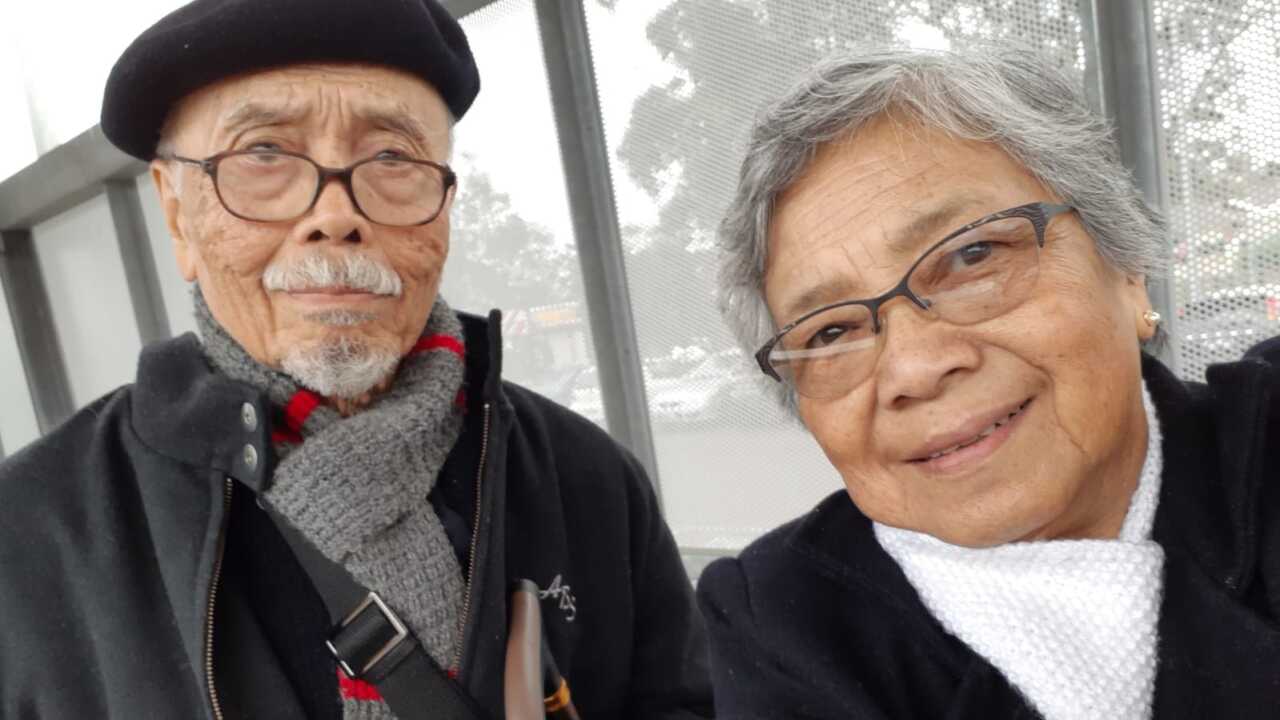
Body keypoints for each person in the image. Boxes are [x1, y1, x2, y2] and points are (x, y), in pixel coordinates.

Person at [0, 1, 711, 718]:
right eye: (265, 153)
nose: (335, 216)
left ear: (444, 206)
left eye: (392, 157)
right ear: (178, 213)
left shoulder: (587, 480)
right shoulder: (30, 534)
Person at [698, 46, 1280, 719]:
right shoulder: (784, 618)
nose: (914, 368)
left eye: (971, 256)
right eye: (830, 332)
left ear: (1125, 269)